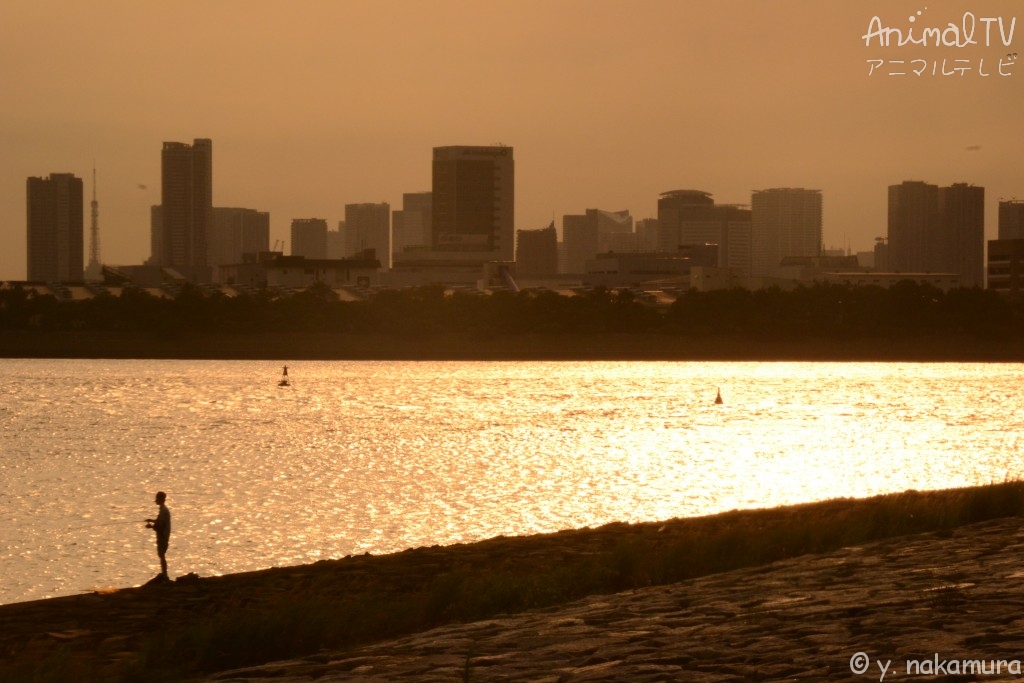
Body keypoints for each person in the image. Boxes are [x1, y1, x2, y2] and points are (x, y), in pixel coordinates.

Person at [145, 491, 171, 580]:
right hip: (162, 536)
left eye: (157, 498)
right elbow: (159, 522)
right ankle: (164, 574)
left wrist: (151, 526)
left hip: (163, 536)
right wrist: (152, 521)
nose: (156, 500)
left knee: (161, 554)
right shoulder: (163, 510)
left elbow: (161, 525)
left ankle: (165, 575)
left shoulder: (164, 511)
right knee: (161, 555)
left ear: (161, 499)